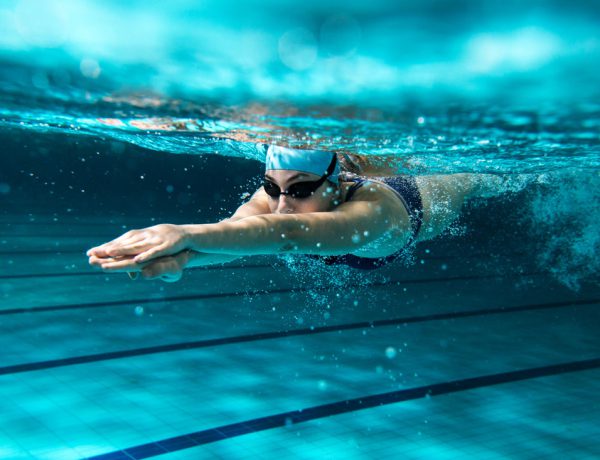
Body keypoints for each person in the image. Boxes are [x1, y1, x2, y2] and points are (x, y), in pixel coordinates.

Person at [87, 145, 502, 282]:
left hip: (425, 196)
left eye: (301, 190)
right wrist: (182, 259)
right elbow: (237, 233)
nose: (282, 202)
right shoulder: (278, 197)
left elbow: (289, 231)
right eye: (272, 187)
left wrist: (179, 231)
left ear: (336, 186)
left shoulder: (375, 212)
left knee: (481, 178)